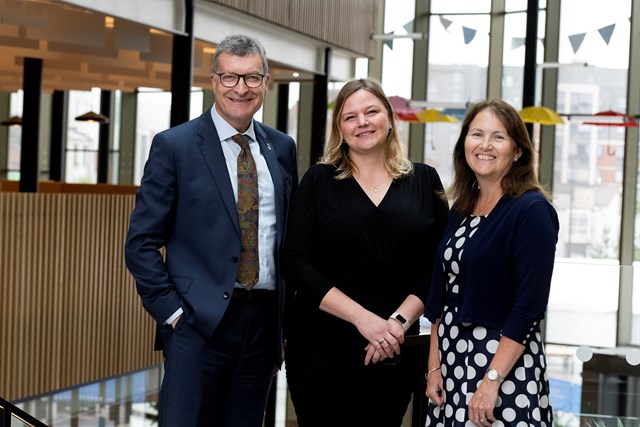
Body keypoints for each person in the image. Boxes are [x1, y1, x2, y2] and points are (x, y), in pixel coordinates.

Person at [124, 34, 298, 427]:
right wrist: (172, 314)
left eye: (252, 78)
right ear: (214, 81)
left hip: (262, 327)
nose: (241, 88)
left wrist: (281, 330)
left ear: (266, 83)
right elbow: (140, 244)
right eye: (231, 78)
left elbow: (287, 241)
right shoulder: (175, 145)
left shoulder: (281, 148)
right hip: (195, 325)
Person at [283, 78, 449, 427]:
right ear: (339, 129)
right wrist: (365, 320)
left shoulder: (425, 180)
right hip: (320, 348)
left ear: (389, 119)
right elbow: (295, 263)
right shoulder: (318, 181)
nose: (362, 122)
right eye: (350, 116)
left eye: (371, 111)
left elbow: (438, 265)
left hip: (393, 347)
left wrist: (395, 325)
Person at [424, 99, 559, 426]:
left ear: (517, 151)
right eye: (477, 135)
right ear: (464, 145)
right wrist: (434, 366)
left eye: (498, 137)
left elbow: (529, 305)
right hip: (451, 360)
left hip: (501, 364)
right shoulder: (461, 208)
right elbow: (442, 295)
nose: (485, 145)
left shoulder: (532, 211)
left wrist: (492, 379)